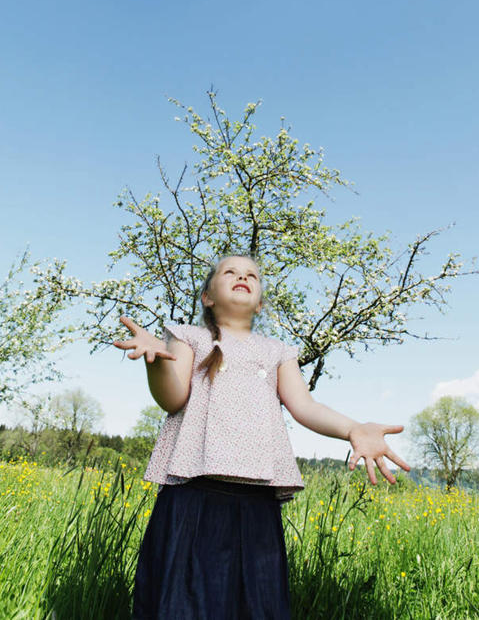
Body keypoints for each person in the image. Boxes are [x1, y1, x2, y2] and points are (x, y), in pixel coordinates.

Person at [113, 252, 410, 619]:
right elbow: (172, 397)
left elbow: (305, 407)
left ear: (261, 301)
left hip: (256, 502)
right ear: (207, 296)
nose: (243, 276)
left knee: (255, 604)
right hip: (193, 495)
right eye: (230, 272)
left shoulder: (277, 352)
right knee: (184, 602)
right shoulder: (190, 337)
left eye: (252, 274)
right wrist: (156, 363)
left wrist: (353, 429)